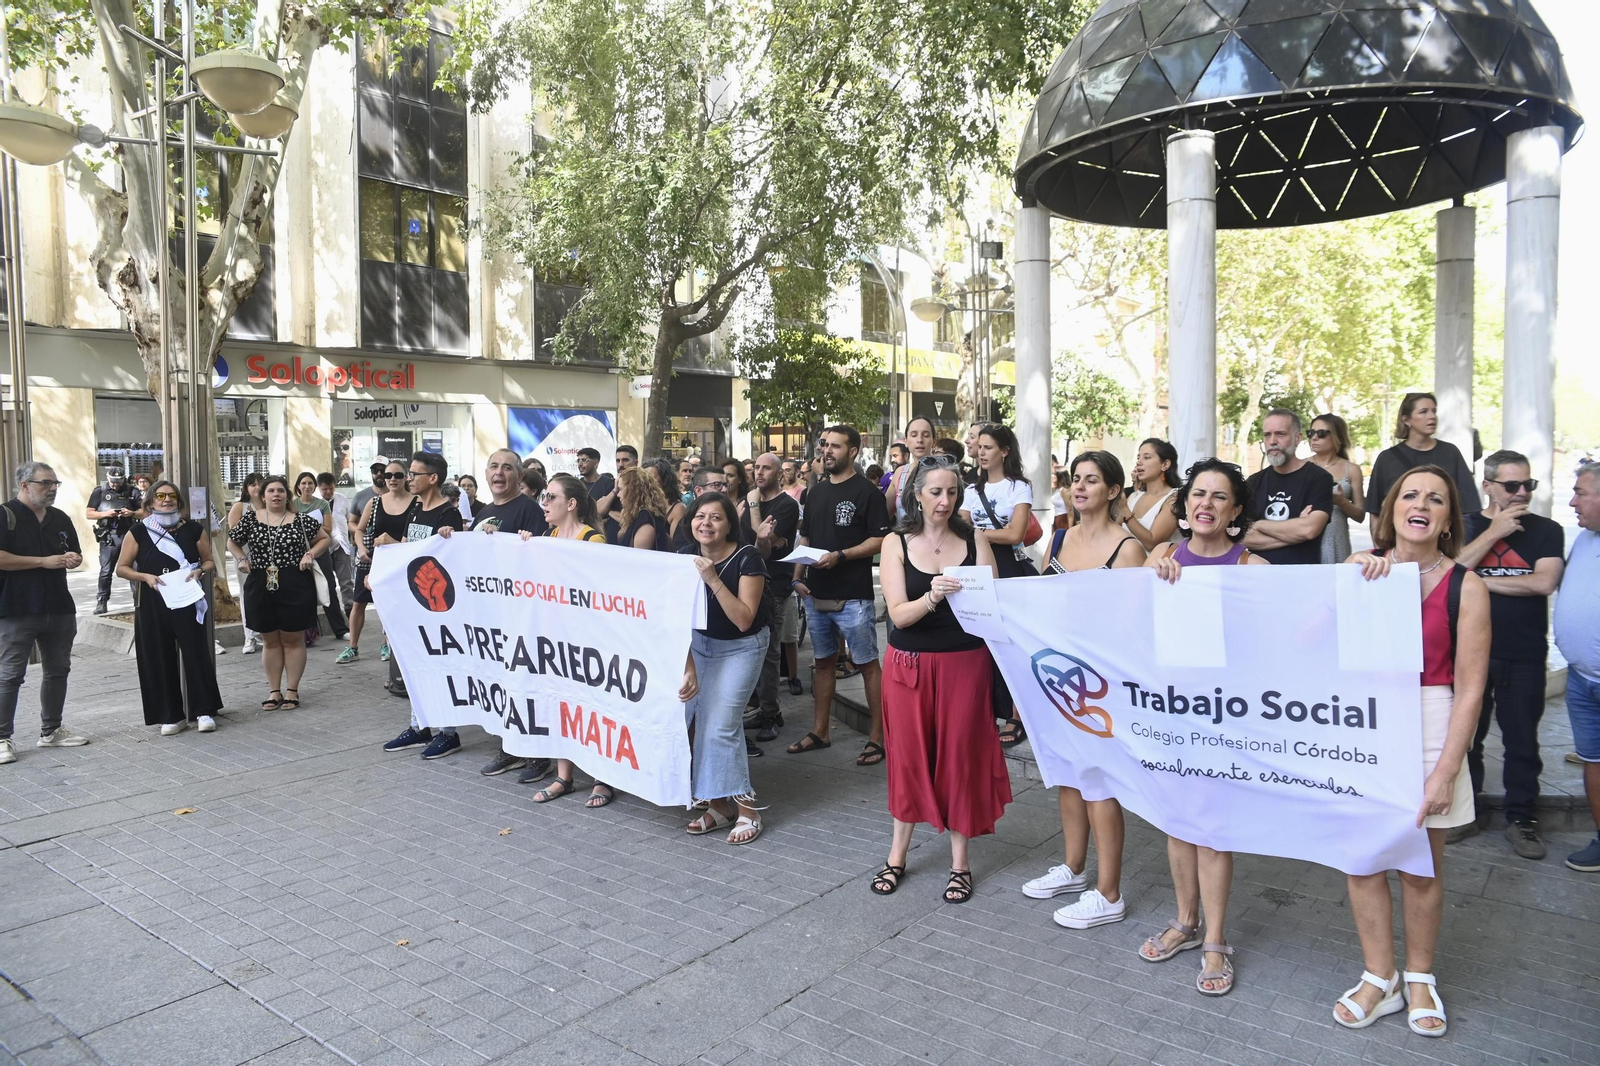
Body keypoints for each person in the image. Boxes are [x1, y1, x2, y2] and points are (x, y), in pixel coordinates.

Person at [1336, 466, 1488, 1038]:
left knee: (1421, 867)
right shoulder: (1362, 572)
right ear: (1392, 507)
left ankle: (1419, 975)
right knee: (1363, 859)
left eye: (1437, 499)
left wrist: (1449, 768)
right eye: (1411, 495)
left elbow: (1471, 686)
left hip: (1429, 722)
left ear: (1448, 519)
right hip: (1363, 725)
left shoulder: (1464, 584)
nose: (1421, 504)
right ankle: (1381, 977)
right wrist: (1347, 581)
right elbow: (1307, 645)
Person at [1139, 459, 1267, 995]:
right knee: (1177, 823)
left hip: (1224, 716)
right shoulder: (1160, 556)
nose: (1206, 504)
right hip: (1170, 711)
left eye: (1219, 497)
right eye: (1198, 495)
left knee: (1211, 829)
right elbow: (1126, 627)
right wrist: (1152, 585)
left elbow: (1280, 638)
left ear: (1236, 510)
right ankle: (1184, 921)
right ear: (1185, 504)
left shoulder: (1251, 568)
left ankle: (1214, 940)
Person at [872, 455, 1010, 903]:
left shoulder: (975, 540)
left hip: (964, 664)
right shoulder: (895, 542)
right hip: (909, 664)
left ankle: (960, 864)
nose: (945, 501)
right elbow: (898, 615)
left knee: (960, 759)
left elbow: (992, 609)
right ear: (917, 494)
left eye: (953, 492)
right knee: (909, 758)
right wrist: (932, 596)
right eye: (936, 492)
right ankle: (897, 856)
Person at [1034, 451, 1145, 929]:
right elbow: (1037, 599)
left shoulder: (1128, 549)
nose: (1079, 487)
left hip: (1102, 686)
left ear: (1114, 490)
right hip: (1059, 677)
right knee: (1070, 775)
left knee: (1101, 784)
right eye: (1075, 479)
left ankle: (1109, 892)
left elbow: (1132, 626)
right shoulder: (1059, 537)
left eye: (1092, 480)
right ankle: (1074, 867)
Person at [1451, 450, 1566, 858]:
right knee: (1468, 738)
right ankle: (1468, 811)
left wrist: (1477, 581)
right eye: (1511, 485)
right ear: (1488, 486)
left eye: (1527, 485)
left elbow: (1542, 583)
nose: (1522, 493)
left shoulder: (1547, 530)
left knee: (1522, 741)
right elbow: (1449, 573)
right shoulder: (1465, 526)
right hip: (1469, 652)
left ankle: (1522, 820)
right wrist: (1493, 533)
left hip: (1524, 652)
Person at [439, 450, 551, 783]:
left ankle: (538, 752)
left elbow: (540, 560)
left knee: (528, 682)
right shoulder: (484, 512)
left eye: (506, 467)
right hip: (492, 616)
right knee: (502, 682)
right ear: (486, 474)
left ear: (519, 475)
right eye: (493, 467)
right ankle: (512, 746)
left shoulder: (531, 511)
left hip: (522, 615)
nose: (498, 473)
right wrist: (452, 539)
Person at [789, 425, 891, 766]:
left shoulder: (868, 493)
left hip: (854, 598)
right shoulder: (813, 493)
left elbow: (880, 540)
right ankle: (820, 731)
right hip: (815, 595)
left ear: (853, 452)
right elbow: (806, 538)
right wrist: (797, 577)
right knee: (822, 664)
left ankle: (878, 737)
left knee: (866, 666)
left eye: (835, 445)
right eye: (824, 444)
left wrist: (842, 555)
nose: (827, 450)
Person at [679, 492, 769, 844]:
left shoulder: (748, 559)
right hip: (698, 647)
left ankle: (748, 811)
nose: (706, 523)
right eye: (700, 516)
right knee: (694, 719)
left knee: (721, 726)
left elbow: (744, 620)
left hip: (741, 648)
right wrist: (688, 666)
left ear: (730, 523)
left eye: (715, 517)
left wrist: (713, 579)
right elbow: (671, 615)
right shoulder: (684, 557)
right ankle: (718, 806)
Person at [526, 473, 613, 807]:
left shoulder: (593, 541)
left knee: (593, 707)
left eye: (551, 497)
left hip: (587, 638)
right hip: (555, 636)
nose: (544, 503)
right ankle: (564, 775)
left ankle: (603, 778)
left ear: (571, 504)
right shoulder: (546, 537)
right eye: (544, 497)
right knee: (561, 704)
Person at [115, 479, 223, 736]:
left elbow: (209, 561)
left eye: (172, 496)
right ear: (151, 501)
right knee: (158, 657)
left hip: (186, 599)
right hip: (153, 602)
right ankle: (171, 715)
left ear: (179, 501)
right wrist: (146, 577)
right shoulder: (138, 532)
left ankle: (204, 711)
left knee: (196, 654)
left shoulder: (194, 530)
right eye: (161, 496)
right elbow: (122, 568)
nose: (167, 500)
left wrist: (199, 571)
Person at [378, 452, 466, 759]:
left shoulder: (448, 515)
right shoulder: (415, 509)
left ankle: (449, 732)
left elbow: (443, 559)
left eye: (414, 474)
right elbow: (407, 549)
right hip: (412, 601)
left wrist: (395, 546)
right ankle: (419, 725)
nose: (408, 479)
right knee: (414, 663)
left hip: (437, 604)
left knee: (441, 666)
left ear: (434, 478)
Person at [0, 462, 87, 764]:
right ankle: (2, 738)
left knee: (58, 670)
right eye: (45, 483)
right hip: (17, 608)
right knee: (10, 675)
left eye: (55, 483)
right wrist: (42, 561)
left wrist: (73, 558)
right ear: (24, 485)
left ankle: (51, 731)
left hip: (59, 607)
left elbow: (72, 552)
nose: (52, 488)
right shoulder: (5, 515)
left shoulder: (60, 517)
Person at [227, 474, 330, 712]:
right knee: (269, 640)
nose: (276, 495)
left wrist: (309, 555)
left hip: (295, 582)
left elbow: (324, 539)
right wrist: (241, 558)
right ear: (262, 496)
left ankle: (292, 690)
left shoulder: (301, 520)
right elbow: (232, 541)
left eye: (280, 491)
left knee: (293, 639)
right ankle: (274, 691)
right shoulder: (251, 518)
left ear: (287, 495)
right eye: (271, 491)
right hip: (261, 582)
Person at [960, 424, 1034, 747]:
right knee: (982, 642)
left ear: (1004, 451)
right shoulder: (969, 489)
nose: (982, 452)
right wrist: (982, 535)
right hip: (977, 567)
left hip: (1009, 567)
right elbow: (958, 526)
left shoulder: (1018, 487)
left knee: (1013, 643)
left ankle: (1018, 714)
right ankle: (987, 709)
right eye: (980, 446)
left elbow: (1015, 534)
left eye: (989, 447)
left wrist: (978, 532)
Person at [1555, 463, 1600, 872]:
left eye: (1580, 492)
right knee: (1593, 759)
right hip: (1582, 679)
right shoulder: (1585, 539)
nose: (1572, 501)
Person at [1366, 392, 1481, 537]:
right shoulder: (1387, 458)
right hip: (1397, 542)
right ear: (1406, 420)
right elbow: (1375, 511)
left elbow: (1469, 507)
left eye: (1434, 411)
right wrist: (1379, 549)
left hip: (1443, 541)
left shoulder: (1450, 453)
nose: (1432, 416)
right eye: (1423, 412)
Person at [742, 453, 800, 743]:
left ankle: (771, 713)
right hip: (745, 584)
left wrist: (753, 509)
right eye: (756, 468)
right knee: (749, 652)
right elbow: (752, 542)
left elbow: (761, 537)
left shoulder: (786, 505)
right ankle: (761, 708)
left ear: (779, 473)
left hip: (773, 586)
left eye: (766, 468)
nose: (759, 473)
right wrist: (765, 539)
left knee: (769, 653)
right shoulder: (747, 502)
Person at [1242, 409, 1334, 565]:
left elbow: (1309, 529)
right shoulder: (1253, 482)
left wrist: (1258, 525)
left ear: (1298, 438)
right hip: (1259, 576)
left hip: (1301, 577)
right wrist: (1295, 532)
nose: (1272, 441)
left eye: (1280, 434)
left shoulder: (1319, 478)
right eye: (1267, 435)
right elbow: (1241, 536)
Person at [339, 462, 408, 665]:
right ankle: (352, 647)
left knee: (392, 604)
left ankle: (387, 642)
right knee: (359, 602)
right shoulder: (375, 502)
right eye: (388, 475)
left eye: (397, 475)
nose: (392, 479)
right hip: (372, 560)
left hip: (399, 562)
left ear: (406, 477)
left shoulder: (416, 503)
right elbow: (358, 529)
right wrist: (360, 548)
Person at [294, 471, 348, 643]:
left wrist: (307, 528)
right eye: (303, 483)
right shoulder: (292, 505)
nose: (307, 486)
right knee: (303, 591)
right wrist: (314, 528)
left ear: (314, 486)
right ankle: (309, 633)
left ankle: (340, 629)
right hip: (298, 551)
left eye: (310, 483)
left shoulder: (322, 504)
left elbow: (328, 528)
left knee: (328, 587)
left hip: (321, 549)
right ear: (298, 486)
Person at [1307, 413, 1365, 564]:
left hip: (1336, 540)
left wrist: (1341, 501)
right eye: (1311, 433)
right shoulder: (1301, 466)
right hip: (1306, 538)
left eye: (1321, 433)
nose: (1314, 438)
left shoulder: (1351, 469)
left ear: (1337, 436)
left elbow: (1360, 515)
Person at [86, 466, 142, 614]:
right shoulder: (100, 491)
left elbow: (144, 512)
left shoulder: (132, 491)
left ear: (124, 479)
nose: (115, 484)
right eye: (113, 481)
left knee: (135, 570)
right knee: (106, 571)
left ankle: (139, 602)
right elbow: (89, 513)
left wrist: (131, 513)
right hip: (110, 536)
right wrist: (106, 514)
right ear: (108, 478)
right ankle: (101, 602)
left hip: (130, 536)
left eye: (119, 481)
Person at [1120, 438, 1181, 551]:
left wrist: (1124, 510)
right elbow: (1115, 531)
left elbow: (1152, 543)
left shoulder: (1174, 499)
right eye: (1138, 457)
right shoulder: (1133, 497)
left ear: (1165, 464)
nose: (1139, 462)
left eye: (1147, 457)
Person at [229, 474, 266, 654]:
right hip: (245, 556)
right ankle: (249, 635)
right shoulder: (240, 507)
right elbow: (233, 536)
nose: (257, 487)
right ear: (246, 488)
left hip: (268, 557)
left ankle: (265, 633)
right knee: (247, 595)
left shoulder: (269, 505)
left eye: (260, 484)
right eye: (252, 485)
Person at [885, 417, 936, 521]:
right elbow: (883, 513)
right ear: (906, 441)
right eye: (914, 435)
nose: (920, 440)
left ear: (934, 441)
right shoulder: (900, 473)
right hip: (904, 535)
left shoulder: (944, 473)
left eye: (926, 435)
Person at [316, 473, 356, 607]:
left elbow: (350, 519)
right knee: (327, 583)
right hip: (322, 548)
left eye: (331, 488)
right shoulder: (315, 502)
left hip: (341, 546)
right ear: (319, 488)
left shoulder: (342, 499)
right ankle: (332, 611)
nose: (328, 492)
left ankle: (349, 609)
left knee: (346, 581)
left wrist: (354, 539)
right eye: (324, 489)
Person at [610, 465, 665, 550]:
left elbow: (639, 560)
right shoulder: (641, 515)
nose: (618, 495)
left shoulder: (644, 521)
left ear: (632, 491)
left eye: (621, 489)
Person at [645, 458, 688, 538]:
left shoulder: (678, 509)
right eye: (644, 479)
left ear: (665, 480)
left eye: (652, 479)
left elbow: (675, 546)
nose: (647, 483)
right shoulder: (641, 503)